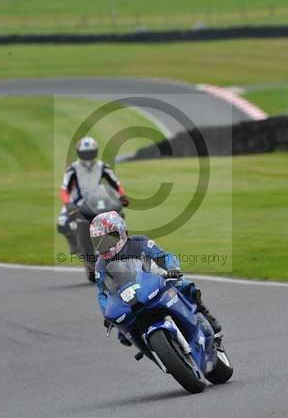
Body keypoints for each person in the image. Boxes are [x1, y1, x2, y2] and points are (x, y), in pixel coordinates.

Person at [90, 211, 222, 346]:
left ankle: (206, 315)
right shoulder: (100, 265)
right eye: (98, 241)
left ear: (122, 232)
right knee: (123, 335)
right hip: (128, 299)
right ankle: (152, 350)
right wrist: (107, 313)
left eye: (107, 239)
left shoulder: (139, 243)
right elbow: (102, 293)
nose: (103, 245)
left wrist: (173, 269)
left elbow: (165, 256)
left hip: (155, 282)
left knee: (185, 285)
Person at [57, 137, 129, 278]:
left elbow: (116, 184)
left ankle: (118, 248)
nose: (88, 157)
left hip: (98, 201)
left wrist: (123, 196)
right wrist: (68, 203)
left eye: (90, 153)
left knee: (116, 217)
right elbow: (63, 190)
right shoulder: (72, 169)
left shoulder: (103, 167)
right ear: (79, 154)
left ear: (95, 153)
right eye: (85, 154)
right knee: (62, 223)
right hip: (76, 203)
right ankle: (76, 247)